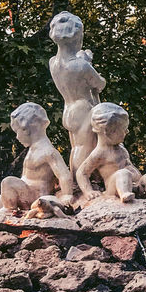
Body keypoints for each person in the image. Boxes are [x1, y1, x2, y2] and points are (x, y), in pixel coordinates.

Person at [48, 10, 106, 178]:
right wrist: (88, 61)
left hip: (68, 107)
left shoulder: (53, 63)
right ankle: (81, 182)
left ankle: (76, 180)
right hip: (84, 107)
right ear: (75, 38)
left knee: (76, 147)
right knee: (84, 147)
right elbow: (100, 84)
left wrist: (83, 60)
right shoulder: (81, 66)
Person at [0, 102, 74, 213]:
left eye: (17, 132)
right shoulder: (33, 150)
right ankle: (2, 212)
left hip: (36, 195)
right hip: (26, 192)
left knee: (7, 182)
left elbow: (64, 174)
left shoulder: (48, 152)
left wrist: (67, 195)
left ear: (27, 129)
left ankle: (10, 210)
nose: (17, 137)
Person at [75, 102, 146, 203]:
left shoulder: (121, 147)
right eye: (124, 129)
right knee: (123, 173)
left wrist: (138, 179)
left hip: (135, 184)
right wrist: (88, 191)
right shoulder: (100, 153)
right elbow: (82, 172)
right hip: (114, 188)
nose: (127, 132)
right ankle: (124, 194)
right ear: (109, 132)